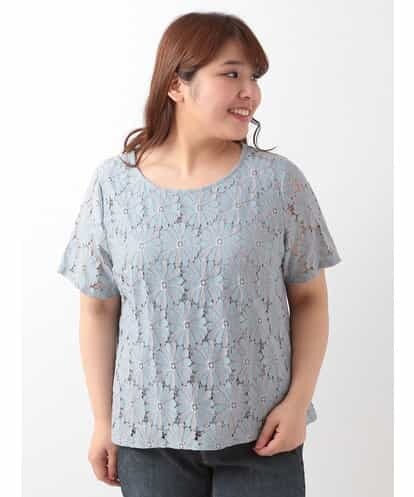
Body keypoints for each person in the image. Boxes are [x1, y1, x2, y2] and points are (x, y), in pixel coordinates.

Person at [57, 11, 342, 497]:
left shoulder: (277, 183)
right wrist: (104, 421)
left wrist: (298, 403)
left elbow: (310, 299)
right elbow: (99, 308)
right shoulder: (114, 185)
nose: (249, 92)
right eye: (231, 74)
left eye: (254, 77)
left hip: (262, 438)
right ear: (176, 85)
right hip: (147, 439)